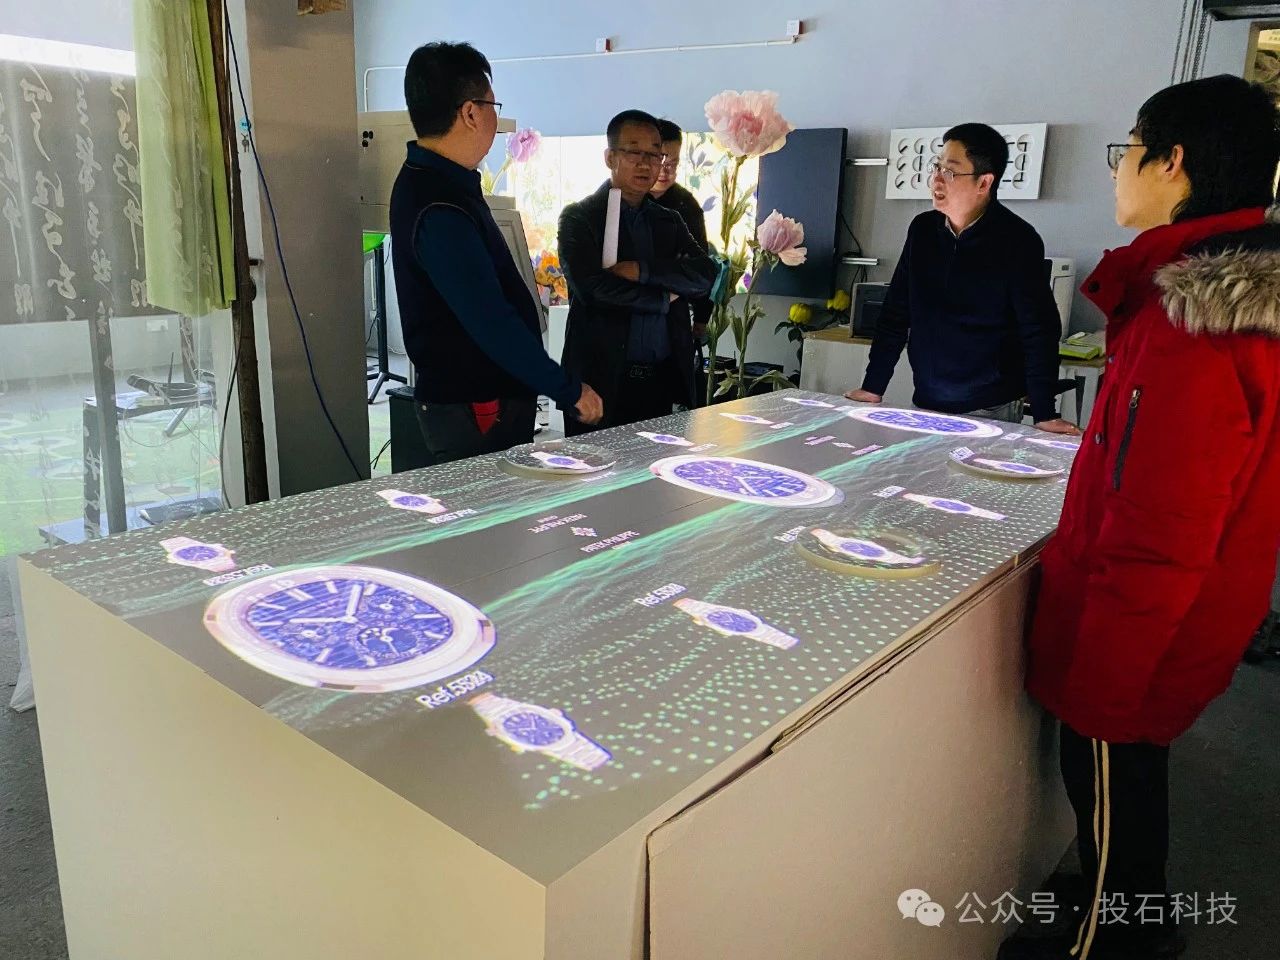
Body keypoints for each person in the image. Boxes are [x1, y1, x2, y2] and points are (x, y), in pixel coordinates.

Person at [999, 75, 1280, 960]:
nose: (1118, 169)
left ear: (1173, 163)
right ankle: (1110, 898)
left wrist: (1111, 670)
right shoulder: (1221, 303)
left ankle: (1117, 939)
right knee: (1119, 784)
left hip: (1142, 625)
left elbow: (1164, 523)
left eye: (1128, 150)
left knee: (1115, 777)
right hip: (1183, 609)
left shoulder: (1191, 326)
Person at [389, 42, 602, 465]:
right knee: (488, 503)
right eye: (492, 106)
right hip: (475, 407)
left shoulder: (440, 183)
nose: (495, 120)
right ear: (470, 112)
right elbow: (491, 321)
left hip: (484, 399)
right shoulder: (439, 205)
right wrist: (567, 389)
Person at [844, 123, 1079, 435]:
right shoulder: (923, 230)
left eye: (950, 171)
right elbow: (896, 312)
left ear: (984, 182)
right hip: (927, 398)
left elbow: (1039, 331)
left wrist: (1044, 412)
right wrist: (873, 386)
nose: (936, 179)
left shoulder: (1018, 240)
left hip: (991, 406)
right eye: (937, 167)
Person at [557, 110, 717, 435]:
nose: (646, 164)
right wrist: (663, 298)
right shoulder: (580, 217)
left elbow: (705, 274)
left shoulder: (669, 220)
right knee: (595, 464)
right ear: (610, 157)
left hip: (662, 381)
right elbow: (592, 289)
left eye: (654, 154)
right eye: (634, 152)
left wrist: (641, 270)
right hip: (600, 382)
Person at [650, 119, 713, 347]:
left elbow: (701, 265)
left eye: (673, 163)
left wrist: (702, 317)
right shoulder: (624, 199)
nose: (665, 171)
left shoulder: (686, 205)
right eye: (660, 161)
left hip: (674, 308)